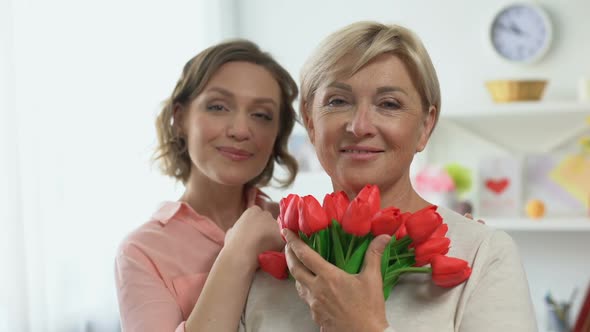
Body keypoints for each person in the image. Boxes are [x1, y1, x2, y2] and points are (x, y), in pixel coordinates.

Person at [240, 21, 537, 332]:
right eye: (337, 101)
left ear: (425, 127)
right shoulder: (272, 252)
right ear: (311, 123)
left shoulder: (482, 254)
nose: (360, 126)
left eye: (389, 104)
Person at [114, 40, 299, 332]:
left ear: (277, 133)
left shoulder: (299, 228)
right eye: (218, 107)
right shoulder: (142, 252)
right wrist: (238, 253)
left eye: (262, 115)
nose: (240, 130)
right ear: (180, 118)